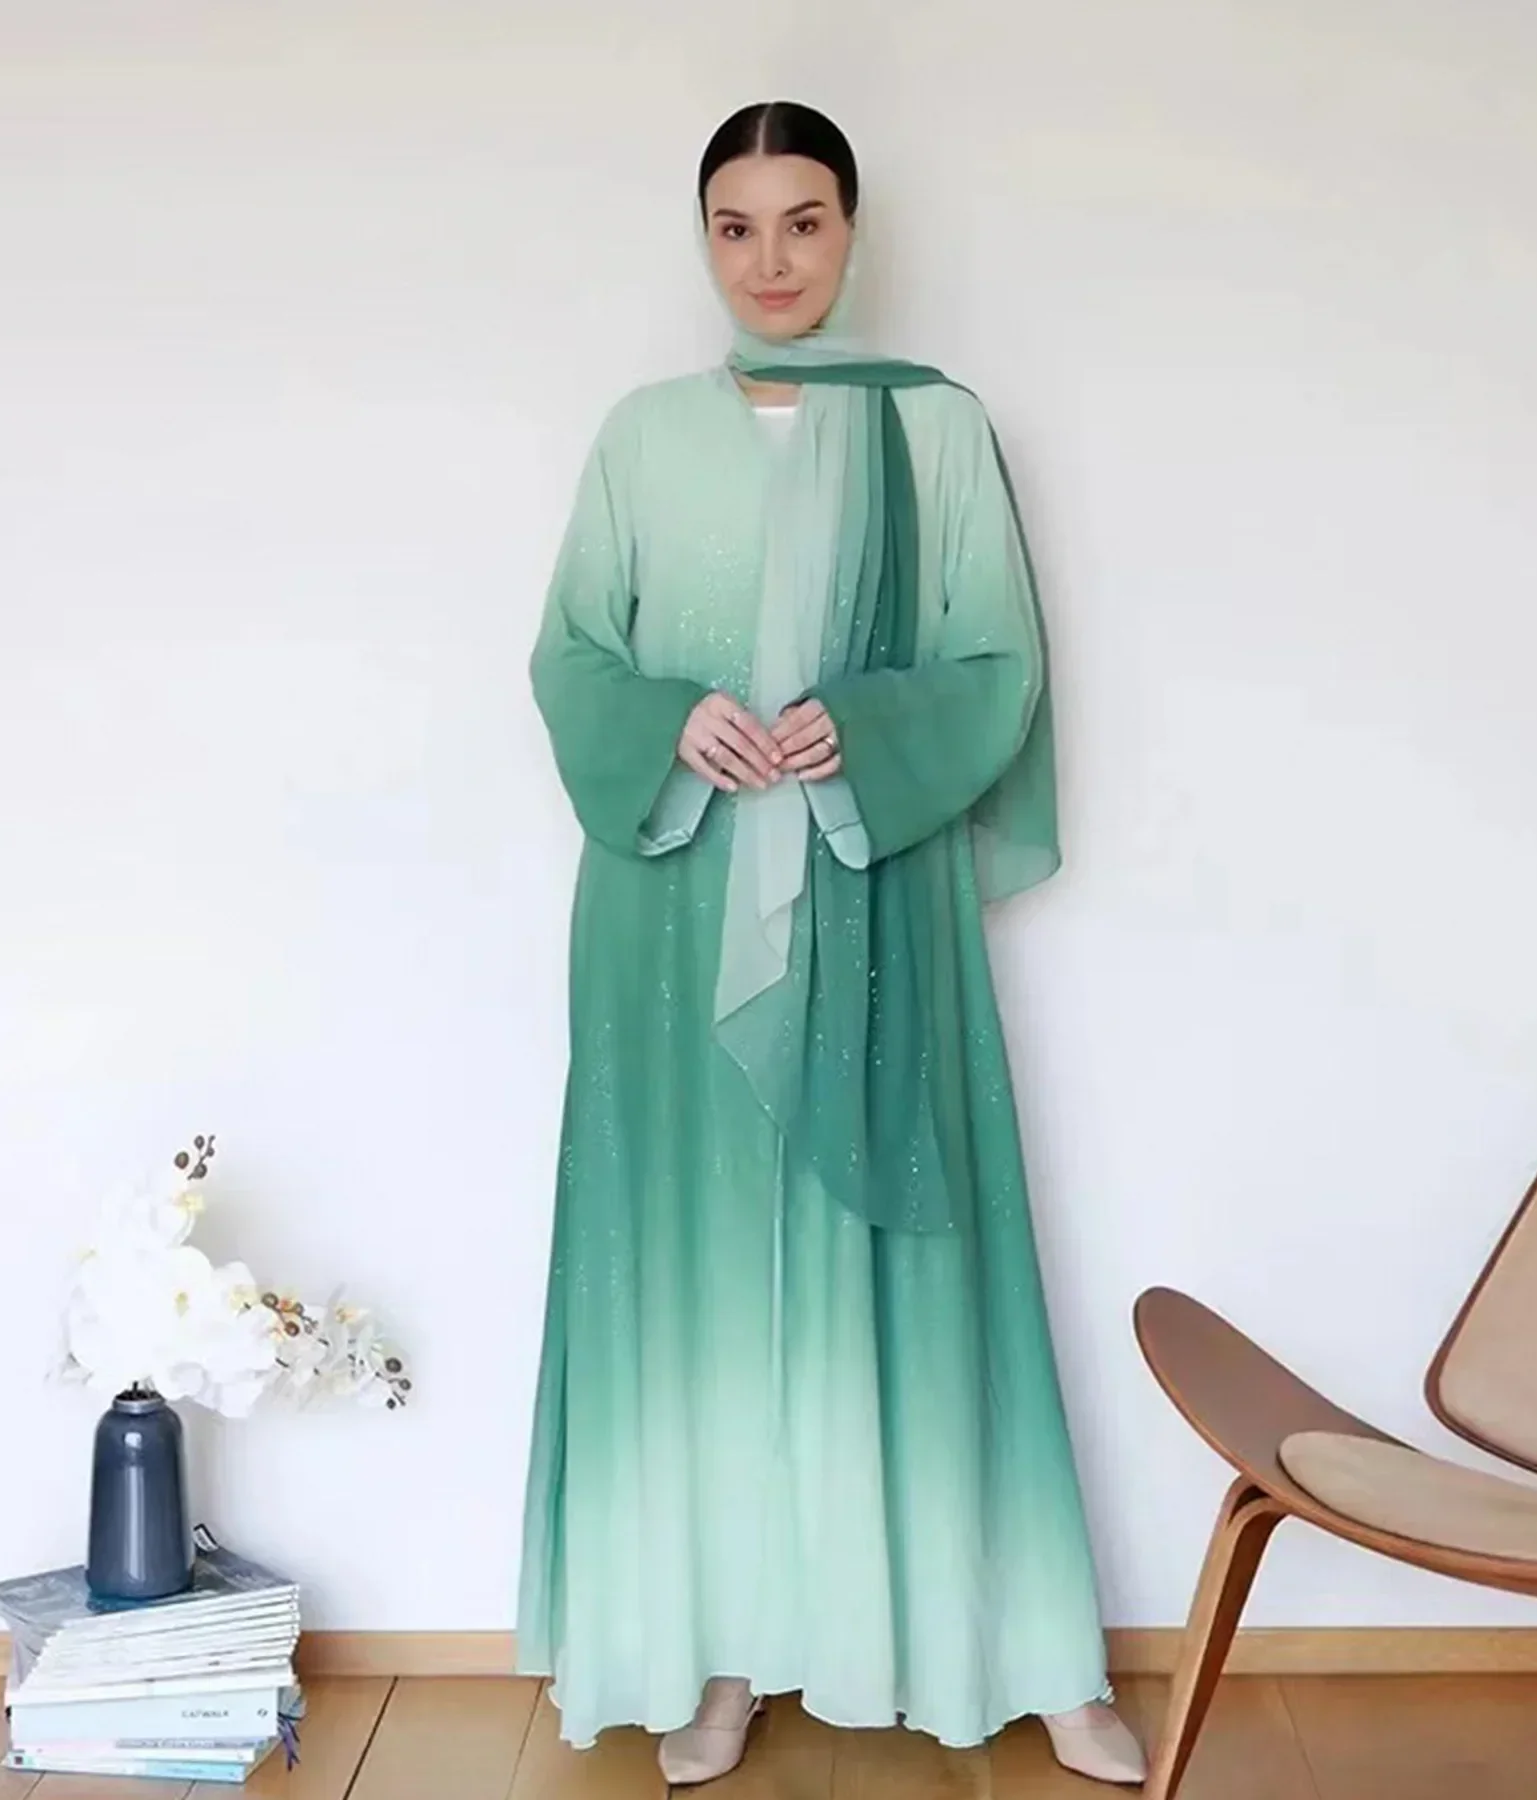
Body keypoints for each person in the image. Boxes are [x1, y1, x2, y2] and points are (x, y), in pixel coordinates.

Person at [518, 100, 1146, 1789]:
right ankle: (722, 1648)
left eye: (803, 220)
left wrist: (857, 730)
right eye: (735, 225)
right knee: (706, 1270)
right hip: (674, 910)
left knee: (915, 1254)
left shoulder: (934, 427)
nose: (771, 259)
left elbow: (997, 662)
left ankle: (1022, 1648)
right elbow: (573, 655)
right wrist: (673, 717)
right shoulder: (643, 436)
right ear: (704, 240)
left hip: (876, 894)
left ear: (853, 231)